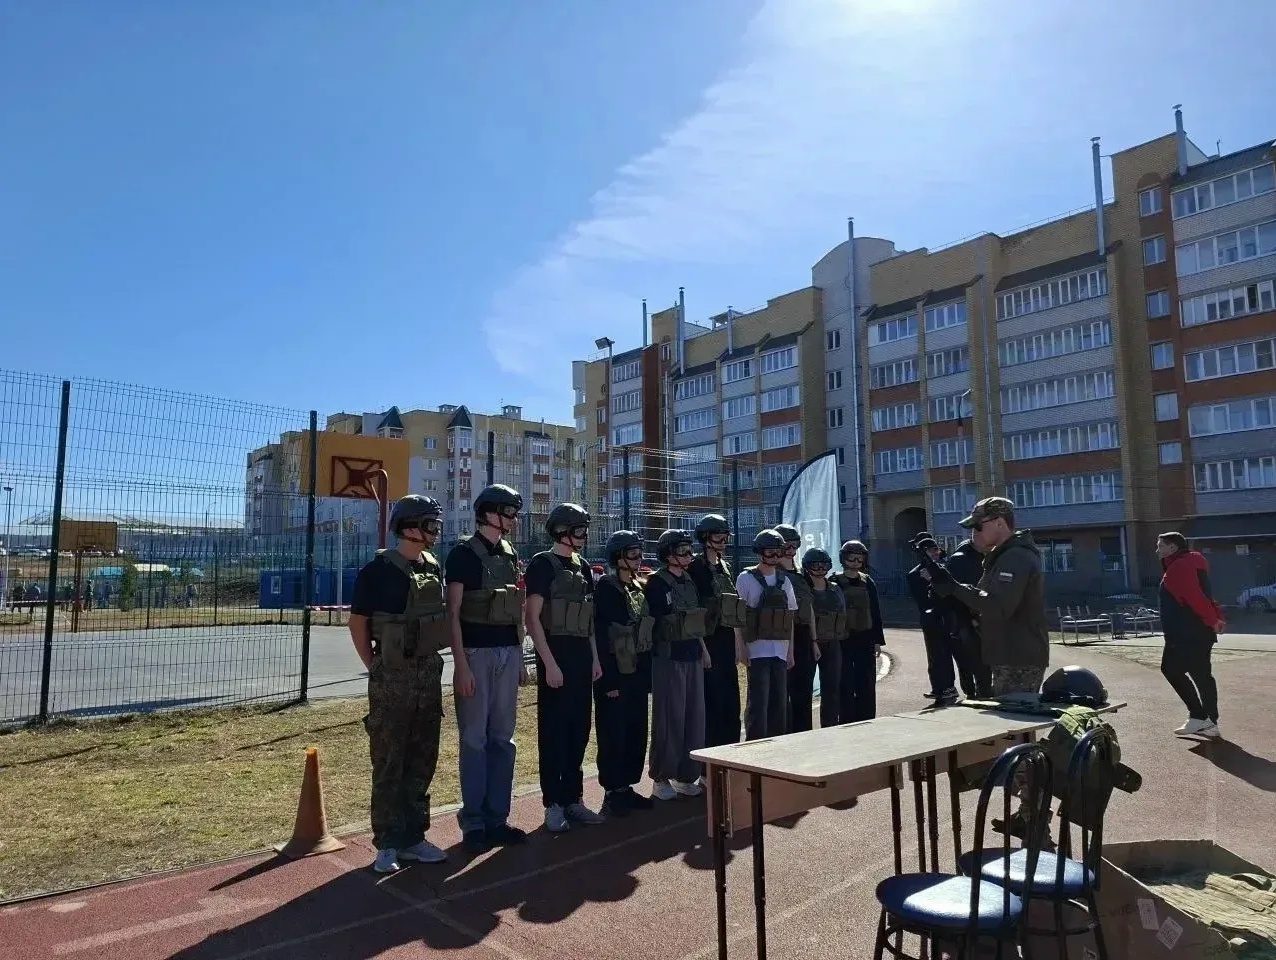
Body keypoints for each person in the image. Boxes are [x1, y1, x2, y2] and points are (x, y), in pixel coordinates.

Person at [348, 495, 452, 873]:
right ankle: (388, 843)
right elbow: (358, 623)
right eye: (429, 524)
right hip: (392, 678)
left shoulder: (433, 567)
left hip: (428, 675)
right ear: (409, 527)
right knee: (389, 760)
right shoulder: (376, 572)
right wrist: (376, 667)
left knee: (423, 758)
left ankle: (414, 837)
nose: (435, 531)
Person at [445, 483, 529, 855]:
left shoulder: (510, 553)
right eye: (509, 512)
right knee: (474, 739)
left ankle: (498, 818)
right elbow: (453, 614)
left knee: (503, 739)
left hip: (507, 653)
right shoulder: (463, 554)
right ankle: (474, 822)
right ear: (490, 513)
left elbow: (516, 610)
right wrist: (461, 666)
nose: (514, 519)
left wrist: (519, 656)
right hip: (476, 655)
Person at [525, 503, 604, 832]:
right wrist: (549, 664)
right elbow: (532, 619)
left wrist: (595, 658)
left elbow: (588, 620)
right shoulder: (542, 565)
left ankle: (574, 799)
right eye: (579, 529)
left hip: (581, 661)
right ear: (562, 531)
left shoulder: (583, 566)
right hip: (555, 660)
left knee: (579, 731)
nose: (584, 535)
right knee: (554, 733)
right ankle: (553, 804)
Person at [923, 497, 1049, 697]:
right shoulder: (1002, 556)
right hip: (1009, 654)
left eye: (978, 527)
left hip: (1017, 657)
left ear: (999, 523)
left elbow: (997, 605)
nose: (973, 533)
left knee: (1012, 714)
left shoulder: (1015, 557)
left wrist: (955, 588)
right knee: (1006, 713)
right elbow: (985, 601)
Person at [593, 530, 656, 816]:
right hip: (615, 674)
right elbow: (602, 637)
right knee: (614, 733)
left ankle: (626, 787)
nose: (638, 558)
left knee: (635, 731)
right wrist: (609, 681)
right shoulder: (607, 589)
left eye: (639, 553)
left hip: (637, 673)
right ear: (618, 557)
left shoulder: (637, 587)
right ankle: (612, 791)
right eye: (632, 554)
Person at [645, 528, 710, 800]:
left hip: (692, 655)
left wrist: (703, 650)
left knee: (694, 718)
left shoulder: (689, 581)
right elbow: (654, 626)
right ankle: (661, 777)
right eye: (682, 550)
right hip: (669, 658)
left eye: (689, 549)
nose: (688, 554)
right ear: (668, 554)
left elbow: (695, 621)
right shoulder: (656, 583)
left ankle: (686, 776)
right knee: (670, 719)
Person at [1156, 532, 1225, 739]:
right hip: (1191, 632)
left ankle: (1201, 718)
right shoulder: (1190, 563)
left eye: (1160, 546)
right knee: (1198, 674)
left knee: (1175, 670)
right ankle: (1206, 720)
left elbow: (1195, 597)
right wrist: (1216, 617)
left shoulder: (1180, 567)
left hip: (1186, 633)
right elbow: (1205, 594)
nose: (1157, 550)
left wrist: (1213, 620)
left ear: (1172, 547)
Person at [688, 514, 746, 750]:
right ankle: (710, 759)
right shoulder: (694, 568)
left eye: (725, 537)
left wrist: (738, 644)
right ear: (704, 538)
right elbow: (694, 611)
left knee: (730, 701)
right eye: (717, 537)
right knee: (711, 701)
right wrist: (702, 649)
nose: (723, 541)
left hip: (726, 640)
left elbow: (732, 608)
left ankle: (730, 751)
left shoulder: (726, 567)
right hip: (708, 641)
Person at [734, 529, 798, 740]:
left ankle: (777, 747)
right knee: (758, 704)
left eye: (778, 551)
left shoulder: (785, 581)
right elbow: (738, 619)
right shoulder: (745, 578)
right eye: (770, 551)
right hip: (756, 651)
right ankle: (754, 747)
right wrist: (741, 649)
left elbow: (789, 619)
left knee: (779, 704)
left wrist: (790, 652)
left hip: (780, 651)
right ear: (759, 551)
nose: (774, 556)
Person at [831, 540, 885, 722]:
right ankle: (846, 719)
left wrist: (877, 641)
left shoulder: (867, 581)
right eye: (851, 558)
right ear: (843, 559)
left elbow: (875, 612)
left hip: (865, 639)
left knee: (867, 681)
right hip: (843, 640)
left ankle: (867, 718)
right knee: (845, 681)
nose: (855, 562)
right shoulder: (834, 581)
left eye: (859, 559)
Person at [772, 524, 819, 733]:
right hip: (782, 637)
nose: (791, 551)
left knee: (804, 691)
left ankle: (803, 733)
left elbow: (810, 609)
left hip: (804, 636)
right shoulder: (773, 574)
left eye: (795, 545)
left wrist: (814, 641)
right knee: (783, 693)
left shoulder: (802, 574)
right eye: (787, 546)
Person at [908, 535, 960, 705]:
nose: (936, 553)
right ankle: (938, 688)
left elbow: (951, 591)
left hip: (948, 617)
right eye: (932, 550)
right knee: (935, 655)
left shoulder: (945, 568)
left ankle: (948, 687)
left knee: (948, 654)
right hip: (930, 619)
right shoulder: (915, 574)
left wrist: (934, 579)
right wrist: (928, 582)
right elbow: (922, 600)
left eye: (936, 549)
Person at [943, 537, 993, 699]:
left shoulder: (955, 561)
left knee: (965, 661)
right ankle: (983, 692)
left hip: (960, 619)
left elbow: (949, 593)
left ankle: (970, 692)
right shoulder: (979, 562)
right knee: (982, 662)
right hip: (975, 616)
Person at [801, 547, 844, 728]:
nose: (820, 569)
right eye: (815, 565)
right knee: (804, 690)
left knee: (832, 689)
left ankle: (830, 727)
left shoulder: (835, 589)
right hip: (809, 644)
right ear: (806, 567)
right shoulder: (803, 589)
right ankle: (804, 730)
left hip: (832, 643)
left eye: (824, 565)